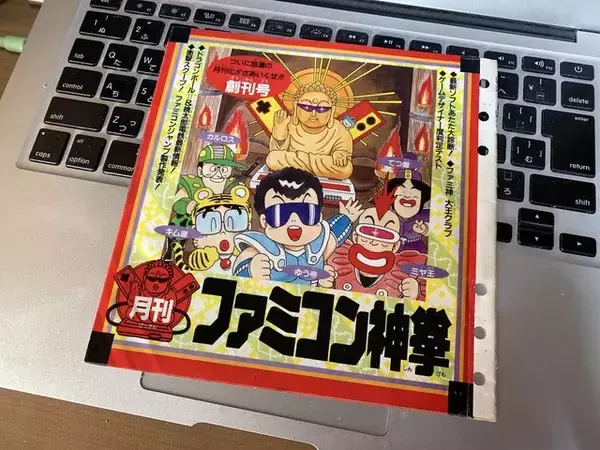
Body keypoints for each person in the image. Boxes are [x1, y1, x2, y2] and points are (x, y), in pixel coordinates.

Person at [233, 167, 362, 286]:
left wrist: (346, 217)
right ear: (264, 221)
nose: (294, 221)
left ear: (319, 217)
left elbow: (334, 234)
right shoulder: (261, 248)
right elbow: (238, 270)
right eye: (281, 213)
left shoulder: (318, 247)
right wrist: (250, 270)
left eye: (306, 212)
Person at [329, 205, 426, 300]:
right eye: (367, 231)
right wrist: (324, 283)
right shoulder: (336, 256)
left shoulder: (408, 269)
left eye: (386, 235)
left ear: (396, 246)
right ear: (355, 237)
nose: (374, 241)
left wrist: (414, 295)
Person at [267, 82, 354, 180]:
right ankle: (310, 171)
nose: (313, 113)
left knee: (346, 168)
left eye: (321, 108)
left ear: (332, 110)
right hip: (318, 166)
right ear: (296, 106)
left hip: (299, 163)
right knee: (272, 159)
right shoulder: (288, 123)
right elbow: (276, 151)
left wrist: (339, 154)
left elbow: (343, 151)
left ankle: (300, 170)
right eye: (307, 107)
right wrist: (280, 128)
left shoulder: (339, 129)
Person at [172, 185, 252, 275]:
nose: (223, 232)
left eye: (233, 222)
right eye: (210, 224)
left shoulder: (248, 258)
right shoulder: (202, 260)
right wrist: (200, 260)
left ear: (248, 227)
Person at [171, 143, 246, 227]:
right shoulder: (191, 183)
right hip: (189, 224)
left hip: (221, 225)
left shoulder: (233, 185)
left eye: (224, 170)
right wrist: (189, 205)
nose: (218, 174)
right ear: (200, 171)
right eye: (213, 169)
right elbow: (177, 201)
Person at [388, 168, 431, 253]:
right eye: (402, 190)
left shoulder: (424, 214)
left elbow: (439, 231)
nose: (407, 195)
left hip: (416, 249)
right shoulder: (387, 212)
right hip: (390, 247)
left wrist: (425, 229)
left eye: (413, 191)